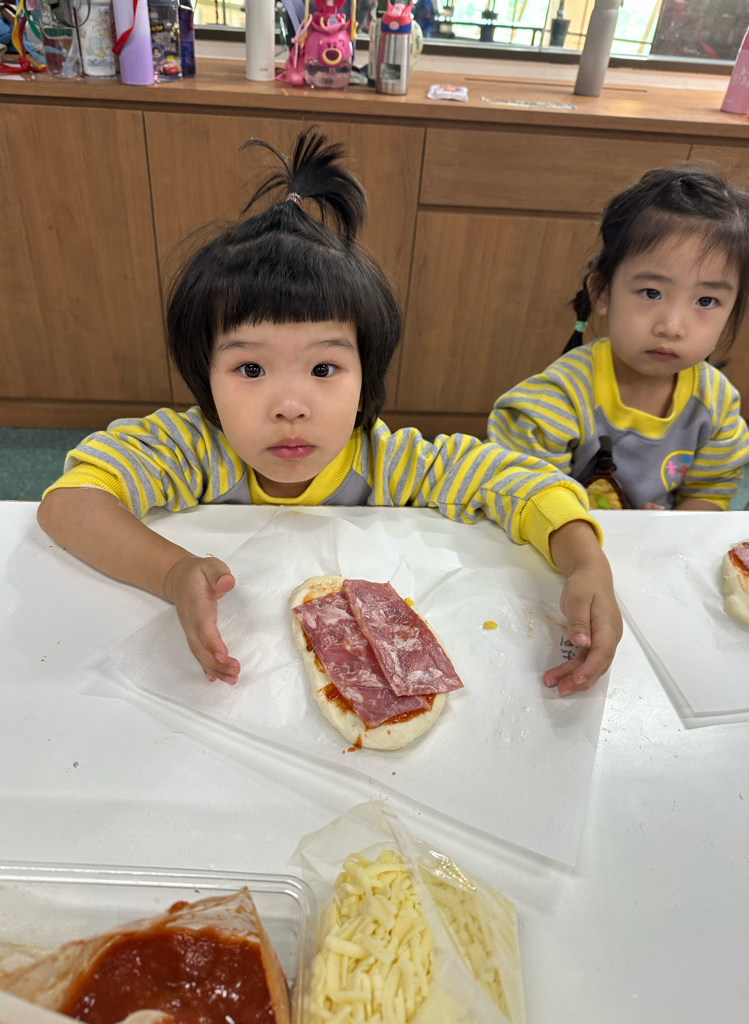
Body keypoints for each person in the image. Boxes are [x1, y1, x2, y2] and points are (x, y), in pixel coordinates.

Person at [38, 129, 621, 697]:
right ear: (204, 377)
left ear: (365, 380)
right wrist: (171, 572)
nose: (290, 407)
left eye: (323, 368)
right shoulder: (190, 451)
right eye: (250, 369)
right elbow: (70, 504)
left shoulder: (389, 462)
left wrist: (585, 563)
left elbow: (523, 485)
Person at [488, 166, 749, 512]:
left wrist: (671, 527)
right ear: (602, 292)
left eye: (706, 301)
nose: (672, 327)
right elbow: (524, 497)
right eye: (651, 292)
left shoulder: (717, 402)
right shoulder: (558, 400)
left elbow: (711, 490)